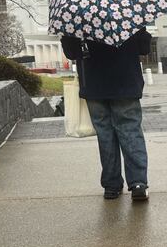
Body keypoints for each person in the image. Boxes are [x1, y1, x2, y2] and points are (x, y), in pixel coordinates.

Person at [61, 28, 152, 201]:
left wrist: (68, 36)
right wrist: (143, 32)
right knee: (130, 131)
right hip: (126, 82)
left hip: (94, 83)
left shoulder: (78, 16)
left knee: (105, 135)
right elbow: (144, 48)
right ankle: (138, 183)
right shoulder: (128, 11)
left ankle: (111, 185)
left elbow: (72, 53)